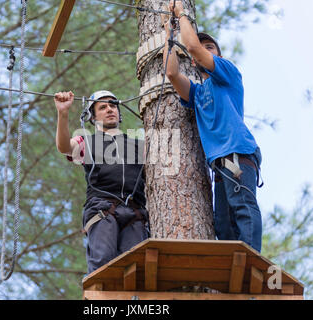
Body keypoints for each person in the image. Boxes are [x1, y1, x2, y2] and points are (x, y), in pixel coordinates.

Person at [163, 1, 263, 252]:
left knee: (242, 205)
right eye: (204, 47)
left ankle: (251, 261)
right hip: (220, 162)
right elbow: (173, 74)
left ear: (216, 55)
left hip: (237, 152)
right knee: (223, 224)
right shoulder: (197, 93)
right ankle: (233, 267)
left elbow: (194, 47)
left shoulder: (228, 74)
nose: (204, 50)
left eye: (211, 47)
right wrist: (169, 37)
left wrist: (181, 15)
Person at [54, 90, 150, 274]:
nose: (109, 109)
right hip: (102, 208)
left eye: (113, 106)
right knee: (104, 262)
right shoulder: (87, 142)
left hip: (135, 211)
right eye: (102, 107)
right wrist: (63, 113)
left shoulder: (139, 145)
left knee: (137, 268)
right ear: (92, 116)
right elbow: (64, 146)